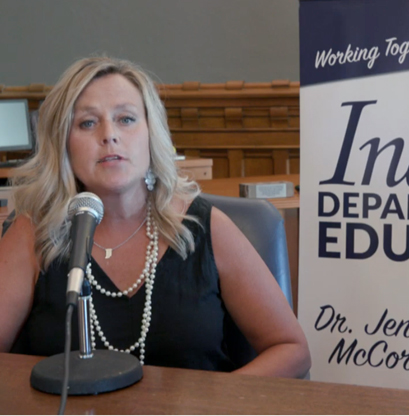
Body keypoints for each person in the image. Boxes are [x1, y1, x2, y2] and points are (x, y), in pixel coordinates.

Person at [0, 56, 311, 378]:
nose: (109, 135)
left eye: (126, 119)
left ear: (152, 131)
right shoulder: (33, 233)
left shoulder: (206, 227)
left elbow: (291, 349)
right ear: (63, 143)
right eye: (88, 123)